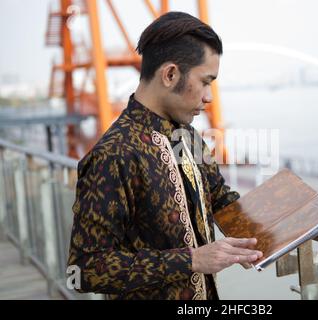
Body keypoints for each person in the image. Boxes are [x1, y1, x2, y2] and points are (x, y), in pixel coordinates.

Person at [67, 11, 262, 300]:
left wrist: (279, 226)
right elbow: (84, 269)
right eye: (206, 81)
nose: (209, 96)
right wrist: (192, 260)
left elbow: (219, 197)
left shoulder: (186, 135)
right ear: (170, 74)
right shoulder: (114, 154)